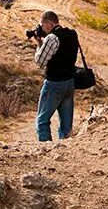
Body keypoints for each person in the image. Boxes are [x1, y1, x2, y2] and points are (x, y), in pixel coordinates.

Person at [29, 10, 79, 142]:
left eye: (43, 25)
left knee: (42, 120)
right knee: (66, 124)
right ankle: (66, 148)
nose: (42, 28)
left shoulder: (52, 38)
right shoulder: (72, 34)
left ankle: (46, 150)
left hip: (54, 83)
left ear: (49, 23)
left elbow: (40, 62)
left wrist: (39, 43)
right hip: (69, 82)